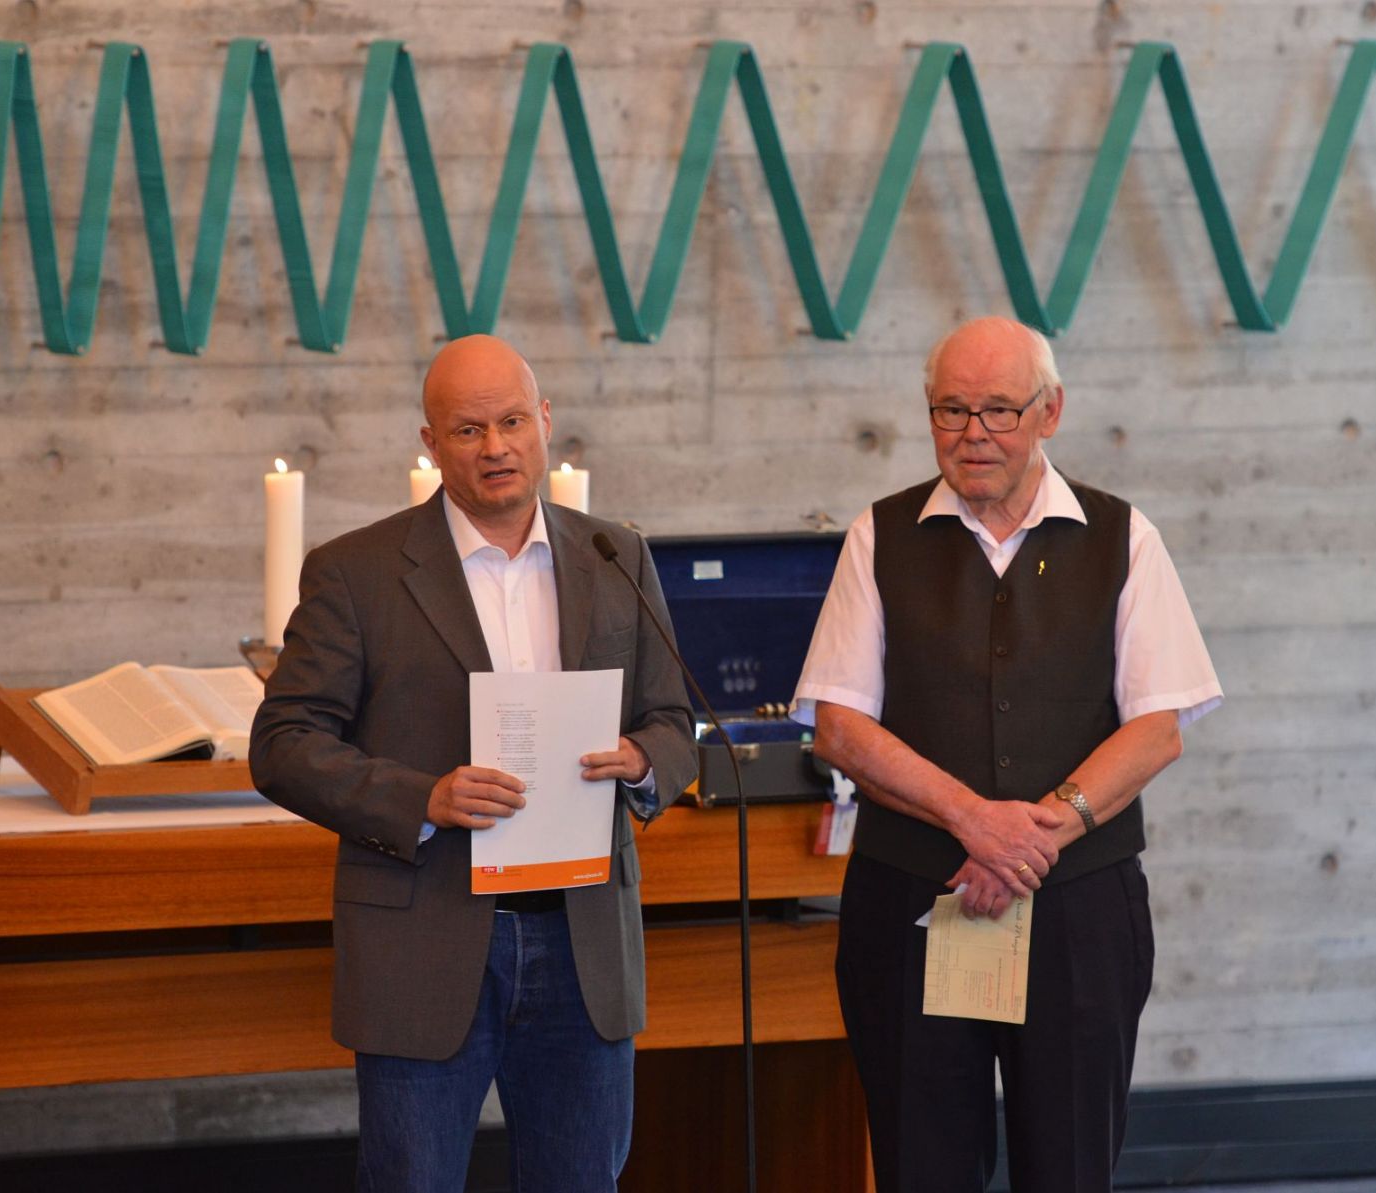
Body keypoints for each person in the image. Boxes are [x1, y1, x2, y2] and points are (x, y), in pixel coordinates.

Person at [250, 334, 695, 1193]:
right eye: (467, 430)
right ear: (431, 442)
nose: (495, 446)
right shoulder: (355, 572)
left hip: (583, 937)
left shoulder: (617, 556)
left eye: (512, 422)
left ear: (546, 422)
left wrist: (644, 758)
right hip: (427, 934)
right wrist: (423, 797)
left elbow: (675, 721)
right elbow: (283, 741)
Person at [793, 316, 1222, 1193]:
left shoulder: (1123, 535)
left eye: (999, 409)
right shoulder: (879, 535)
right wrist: (973, 821)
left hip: (1078, 914)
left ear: (1049, 411)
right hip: (912, 906)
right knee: (921, 1167)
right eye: (951, 410)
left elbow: (1157, 727)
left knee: (1070, 1167)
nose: (973, 432)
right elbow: (838, 726)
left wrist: (1031, 839)